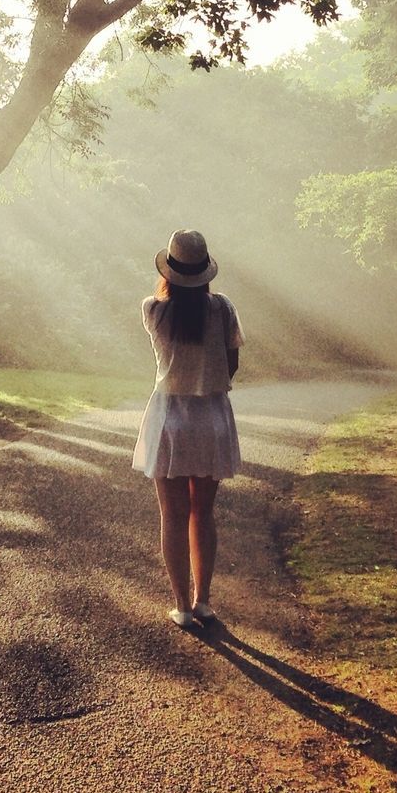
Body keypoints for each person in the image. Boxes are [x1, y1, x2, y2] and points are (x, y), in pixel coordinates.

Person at [132, 228, 244, 629]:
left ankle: (180, 604)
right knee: (203, 513)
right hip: (212, 418)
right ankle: (204, 601)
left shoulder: (154, 310)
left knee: (173, 514)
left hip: (170, 420)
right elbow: (231, 365)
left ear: (170, 270)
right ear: (206, 271)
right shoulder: (224, 309)